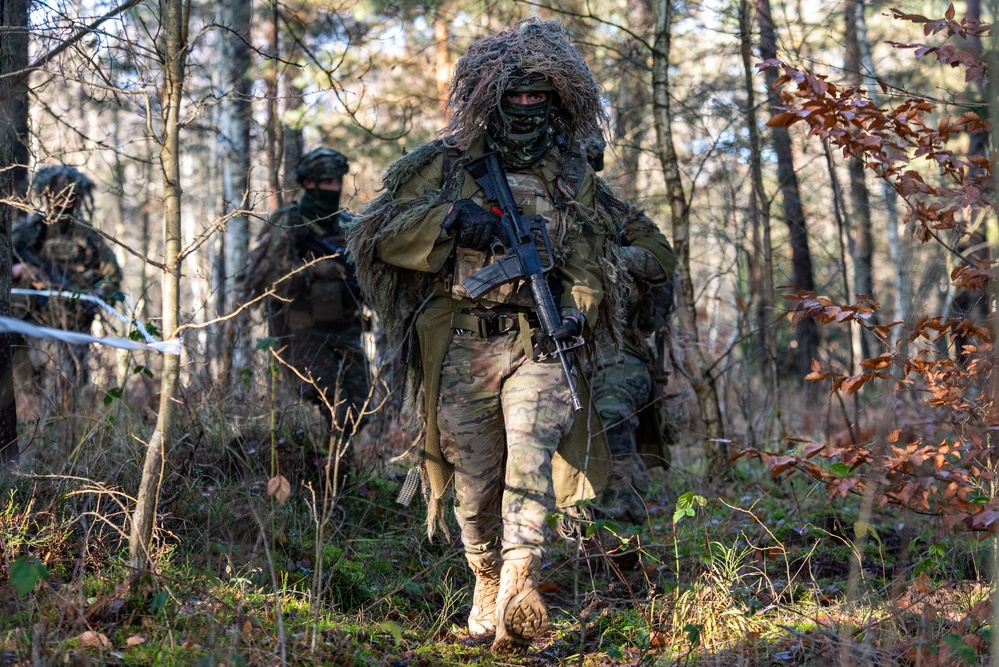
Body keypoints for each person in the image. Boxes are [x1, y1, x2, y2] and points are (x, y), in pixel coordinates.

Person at [347, 20, 633, 652]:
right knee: (474, 482)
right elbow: (377, 235)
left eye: (539, 97)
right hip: (464, 345)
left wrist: (577, 309)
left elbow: (589, 256)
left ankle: (519, 587)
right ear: (491, 97)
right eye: (516, 96)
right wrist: (452, 220)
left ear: (557, 101)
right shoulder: (445, 166)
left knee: (532, 461)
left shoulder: (569, 174)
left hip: (538, 342)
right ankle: (484, 575)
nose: (527, 108)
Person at [583, 134, 677, 532]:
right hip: (539, 349)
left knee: (610, 416)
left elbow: (661, 260)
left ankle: (619, 537)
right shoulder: (522, 205)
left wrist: (603, 259)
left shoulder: (618, 216)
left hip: (615, 350)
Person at [245, 148, 369, 429]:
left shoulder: (347, 225)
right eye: (327, 183)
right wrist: (311, 270)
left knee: (360, 409)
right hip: (303, 332)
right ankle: (319, 467)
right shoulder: (287, 222)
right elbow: (267, 280)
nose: (334, 188)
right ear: (307, 184)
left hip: (347, 329)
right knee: (326, 404)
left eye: (338, 182)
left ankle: (341, 469)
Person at [12, 165, 122, 401]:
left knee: (69, 384)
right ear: (47, 194)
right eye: (59, 194)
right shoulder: (28, 231)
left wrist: (97, 294)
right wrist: (17, 270)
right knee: (28, 384)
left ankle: (64, 429)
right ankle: (36, 427)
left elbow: (112, 276)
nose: (65, 201)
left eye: (70, 195)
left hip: (73, 321)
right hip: (32, 319)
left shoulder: (88, 236)